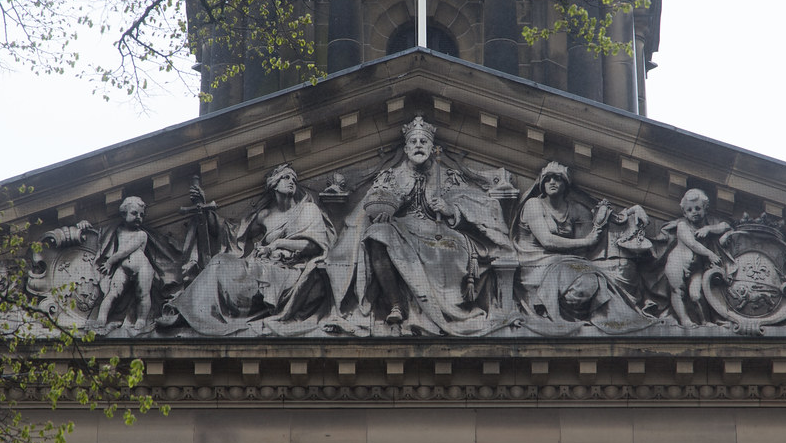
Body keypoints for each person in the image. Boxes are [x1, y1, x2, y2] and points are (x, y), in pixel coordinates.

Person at [327, 116, 510, 334]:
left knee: (448, 250)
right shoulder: (391, 176)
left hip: (442, 233)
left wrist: (451, 209)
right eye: (413, 142)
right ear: (405, 148)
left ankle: (451, 312)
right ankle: (396, 304)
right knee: (376, 234)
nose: (418, 146)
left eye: (423, 142)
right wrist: (384, 211)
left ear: (433, 148)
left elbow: (476, 205)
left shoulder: (448, 176)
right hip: (401, 230)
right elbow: (371, 203)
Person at [159, 164, 334, 334]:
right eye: (285, 178)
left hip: (290, 271)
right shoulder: (266, 215)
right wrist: (205, 212)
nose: (291, 182)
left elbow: (313, 245)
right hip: (261, 265)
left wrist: (277, 244)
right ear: (273, 184)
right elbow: (232, 234)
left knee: (238, 270)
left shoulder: (308, 209)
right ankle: (190, 311)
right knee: (219, 261)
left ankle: (189, 313)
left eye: (294, 180)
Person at [514, 162, 657, 330]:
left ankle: (617, 315)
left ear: (565, 184)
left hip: (564, 262)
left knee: (606, 273)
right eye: (548, 179)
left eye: (558, 178)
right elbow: (547, 241)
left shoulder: (573, 208)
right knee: (586, 279)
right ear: (542, 183)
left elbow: (602, 221)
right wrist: (585, 241)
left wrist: (632, 211)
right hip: (536, 263)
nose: (552, 182)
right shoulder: (533, 204)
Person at [661, 188, 730, 326]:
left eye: (698, 208)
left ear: (705, 208)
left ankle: (704, 321)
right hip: (677, 263)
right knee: (678, 290)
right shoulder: (682, 225)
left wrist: (709, 229)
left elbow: (726, 226)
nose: (694, 212)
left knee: (696, 295)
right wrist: (710, 254)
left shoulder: (709, 223)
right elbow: (692, 244)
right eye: (690, 210)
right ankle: (684, 319)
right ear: (684, 213)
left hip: (696, 268)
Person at [95, 196, 155, 328]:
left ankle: (141, 320)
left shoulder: (141, 235)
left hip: (142, 267)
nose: (139, 217)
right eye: (134, 213)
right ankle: (101, 318)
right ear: (123, 214)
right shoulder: (118, 231)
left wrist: (110, 262)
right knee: (113, 293)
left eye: (141, 215)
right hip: (123, 268)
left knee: (143, 294)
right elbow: (103, 237)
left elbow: (125, 251)